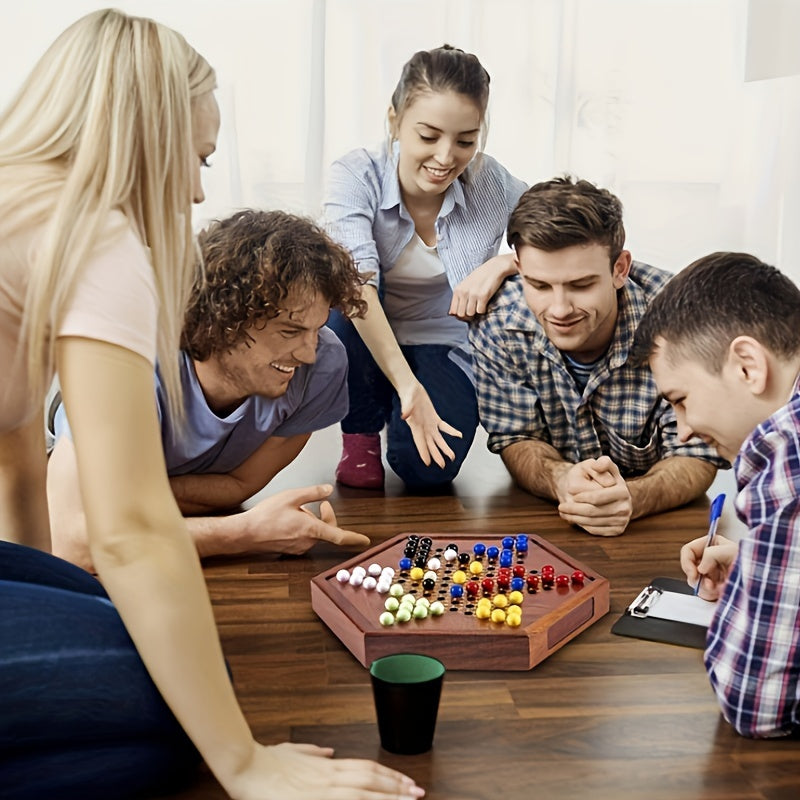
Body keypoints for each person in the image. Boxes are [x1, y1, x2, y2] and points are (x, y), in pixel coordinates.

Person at [0, 10, 422, 800]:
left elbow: (16, 452)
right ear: (142, 136)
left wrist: (46, 589)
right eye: (196, 158)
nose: (196, 191)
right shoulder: (99, 237)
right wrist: (246, 762)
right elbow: (125, 533)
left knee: (162, 672)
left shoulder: (29, 212)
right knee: (179, 716)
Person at [47, 209, 372, 572]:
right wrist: (245, 532)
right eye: (289, 331)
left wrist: (127, 508)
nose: (308, 352)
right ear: (225, 319)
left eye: (318, 328)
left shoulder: (323, 364)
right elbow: (73, 543)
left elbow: (237, 486)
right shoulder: (126, 363)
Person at [469, 176, 725, 536]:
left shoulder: (683, 319)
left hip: (663, 536)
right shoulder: (498, 321)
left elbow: (698, 454)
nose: (559, 309)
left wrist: (634, 498)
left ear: (620, 269)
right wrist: (560, 479)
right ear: (519, 270)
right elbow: (515, 436)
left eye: (581, 285)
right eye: (539, 285)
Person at [323, 44, 527, 491]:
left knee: (428, 471)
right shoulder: (356, 175)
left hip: (444, 338)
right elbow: (356, 289)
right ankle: (360, 432)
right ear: (394, 120)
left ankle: (402, 414)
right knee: (339, 298)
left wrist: (504, 263)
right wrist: (407, 385)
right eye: (429, 136)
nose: (445, 157)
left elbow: (558, 238)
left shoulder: (492, 183)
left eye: (466, 141)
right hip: (365, 334)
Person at [629, 251, 800, 739]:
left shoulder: (790, 453)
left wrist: (748, 591)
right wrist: (757, 561)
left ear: (747, 365)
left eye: (681, 400)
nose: (682, 431)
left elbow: (753, 703)